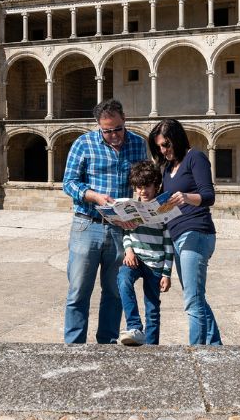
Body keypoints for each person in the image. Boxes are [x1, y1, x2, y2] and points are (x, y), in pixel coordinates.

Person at [61, 99, 147, 344]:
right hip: (87, 225)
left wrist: (139, 209)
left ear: (124, 119)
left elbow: (141, 182)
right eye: (107, 131)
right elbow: (69, 183)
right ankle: (74, 346)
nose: (114, 135)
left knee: (114, 292)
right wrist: (94, 196)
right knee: (78, 291)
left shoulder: (138, 144)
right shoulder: (83, 143)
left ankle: (107, 346)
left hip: (120, 228)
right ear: (98, 126)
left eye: (118, 128)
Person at [149, 118, 222, 346]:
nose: (163, 150)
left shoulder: (195, 158)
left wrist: (186, 197)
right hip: (177, 235)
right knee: (196, 297)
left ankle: (196, 352)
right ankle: (215, 346)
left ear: (177, 139)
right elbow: (164, 205)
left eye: (166, 144)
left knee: (192, 301)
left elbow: (209, 196)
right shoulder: (168, 168)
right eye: (159, 147)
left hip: (196, 233)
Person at [117, 160, 175, 347]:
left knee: (152, 309)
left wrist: (166, 273)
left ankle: (151, 348)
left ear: (155, 186)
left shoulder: (163, 209)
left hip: (155, 264)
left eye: (147, 186)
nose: (143, 191)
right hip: (135, 259)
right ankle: (134, 326)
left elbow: (168, 244)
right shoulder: (131, 208)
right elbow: (127, 233)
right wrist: (128, 251)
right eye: (139, 187)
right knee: (123, 279)